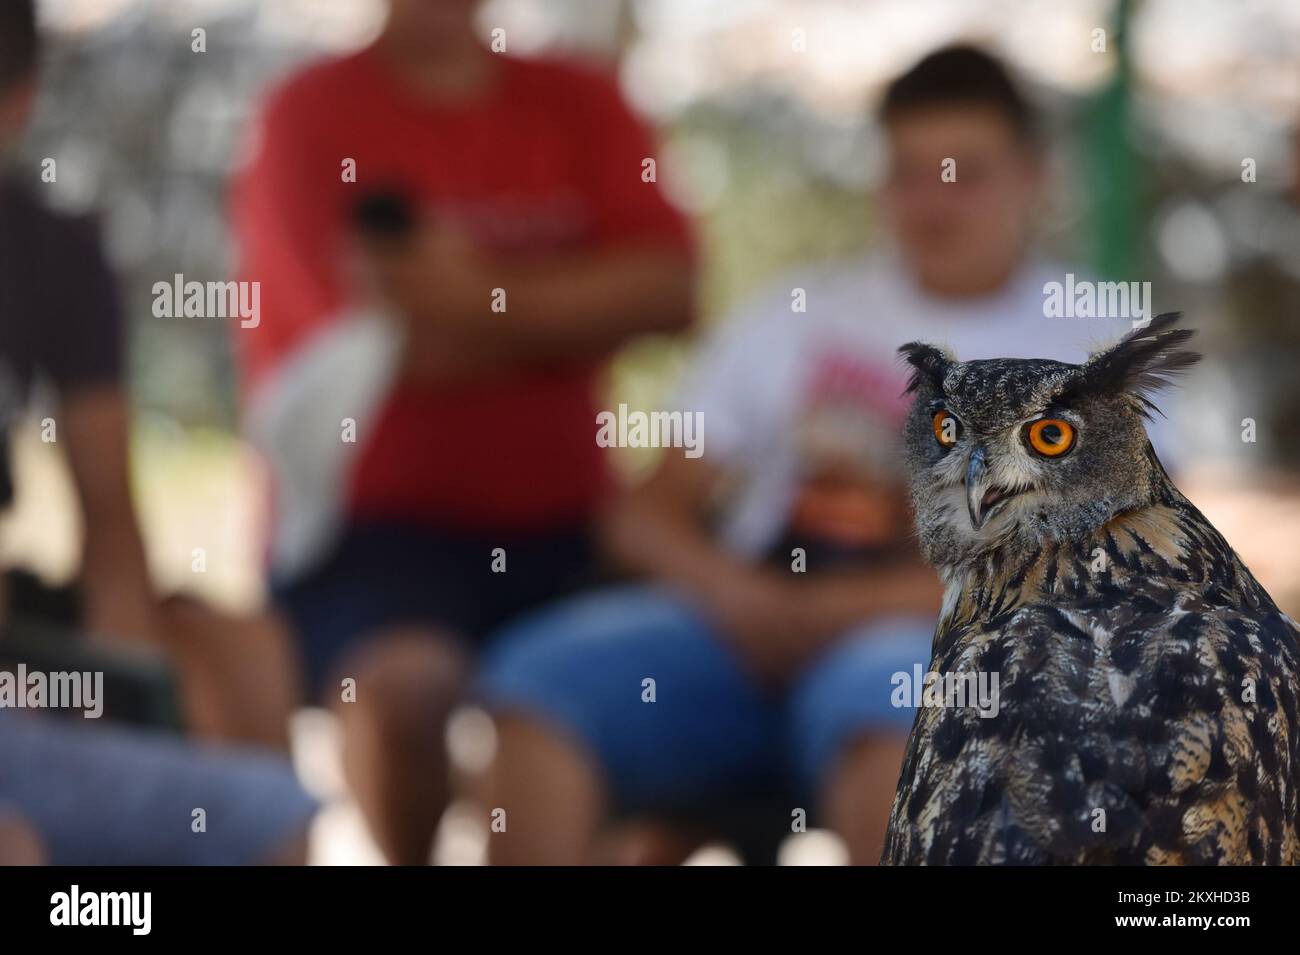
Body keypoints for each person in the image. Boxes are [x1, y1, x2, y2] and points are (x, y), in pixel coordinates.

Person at [477, 45, 1180, 865]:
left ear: (1035, 177)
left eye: (966, 173)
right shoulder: (797, 311)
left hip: (944, 643)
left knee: (897, 716)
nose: (933, 202)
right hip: (741, 629)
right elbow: (645, 511)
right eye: (909, 171)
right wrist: (735, 593)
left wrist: (842, 611)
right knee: (536, 678)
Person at [231, 0, 694, 863]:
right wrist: (568, 314)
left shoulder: (579, 98)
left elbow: (673, 290)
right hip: (371, 535)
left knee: (628, 694)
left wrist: (470, 291)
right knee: (404, 689)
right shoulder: (310, 111)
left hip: (571, 530)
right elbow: (372, 352)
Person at [0, 0, 314, 865]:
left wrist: (121, 682)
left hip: (20, 676)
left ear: (19, 101)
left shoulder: (46, 247)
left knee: (259, 772)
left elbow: (109, 510)